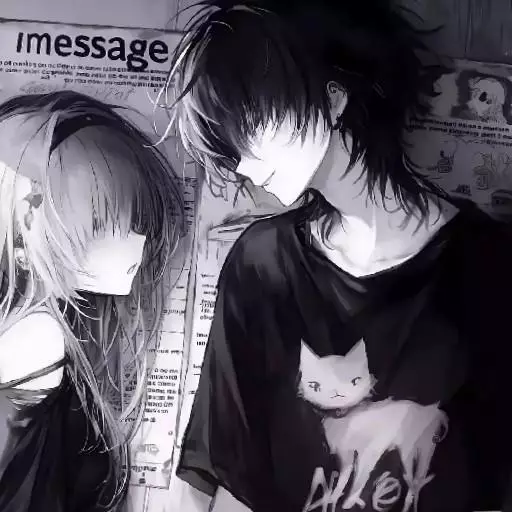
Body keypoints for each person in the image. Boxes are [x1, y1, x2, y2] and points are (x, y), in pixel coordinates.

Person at [163, 1, 512, 511]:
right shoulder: (262, 265)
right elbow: (225, 474)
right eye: (231, 146)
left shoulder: (489, 267)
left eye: (254, 123)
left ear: (332, 97)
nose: (244, 165)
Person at [0, 91, 184, 511]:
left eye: (138, 221)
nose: (136, 244)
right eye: (102, 223)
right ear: (30, 219)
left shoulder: (52, 327)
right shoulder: (39, 337)